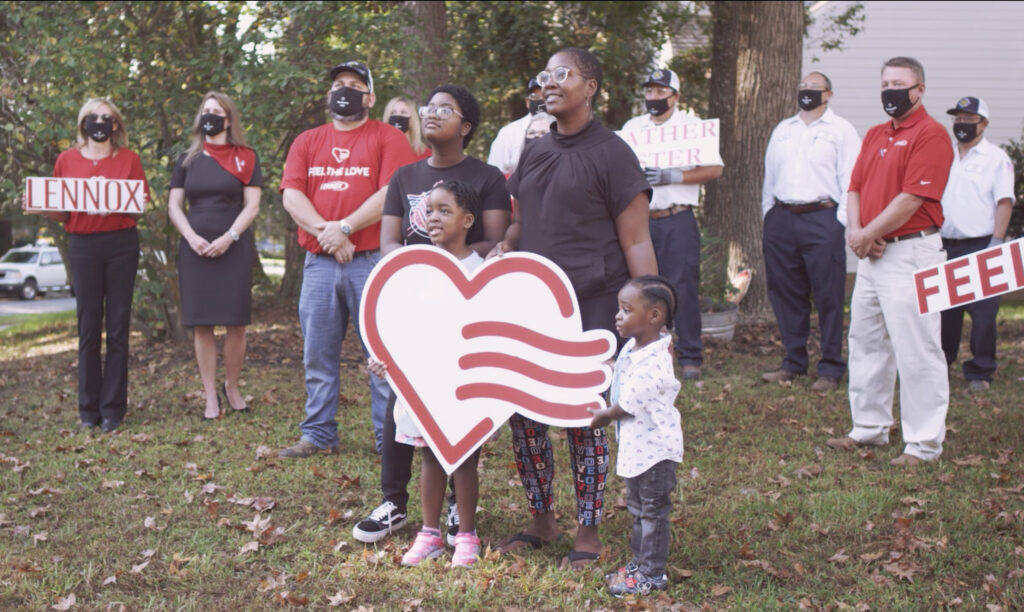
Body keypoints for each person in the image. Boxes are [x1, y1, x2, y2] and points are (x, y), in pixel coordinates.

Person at [490, 47, 657, 570]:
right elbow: (523, 220)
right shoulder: (535, 148)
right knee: (526, 417)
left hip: (592, 305)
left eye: (564, 73)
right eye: (545, 75)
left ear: (591, 87)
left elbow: (637, 241)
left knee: (584, 419)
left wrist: (651, 316)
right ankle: (542, 519)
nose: (551, 81)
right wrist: (504, 248)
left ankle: (588, 530)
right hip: (532, 307)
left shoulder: (613, 153)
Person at [352, 84, 511, 545]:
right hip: (413, 301)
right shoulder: (404, 177)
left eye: (447, 108)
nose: (433, 113)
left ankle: (457, 518)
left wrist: (442, 265)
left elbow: (492, 243)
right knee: (401, 398)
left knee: (454, 404)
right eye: (430, 107)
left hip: (463, 306)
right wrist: (413, 271)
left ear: (466, 126)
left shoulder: (488, 178)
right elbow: (388, 244)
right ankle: (394, 503)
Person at [278, 60, 416, 458]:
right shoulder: (307, 140)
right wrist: (330, 231)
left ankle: (387, 438)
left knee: (382, 354)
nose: (344, 89)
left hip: (371, 261)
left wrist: (347, 228)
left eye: (354, 84)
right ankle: (319, 435)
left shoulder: (388, 138)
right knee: (317, 354)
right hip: (320, 263)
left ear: (370, 97)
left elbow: (392, 191)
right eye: (338, 84)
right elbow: (291, 195)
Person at [826, 57, 953, 467]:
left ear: (920, 89)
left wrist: (867, 234)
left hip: (912, 252)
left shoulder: (931, 134)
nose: (890, 91)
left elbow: (913, 197)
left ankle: (923, 444)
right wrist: (858, 232)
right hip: (873, 254)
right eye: (884, 83)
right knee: (866, 342)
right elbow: (856, 188)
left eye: (898, 83)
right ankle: (869, 427)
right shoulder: (877, 133)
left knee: (917, 348)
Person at [368, 181, 488, 568]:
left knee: (464, 458)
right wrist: (385, 359)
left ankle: (466, 534)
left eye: (444, 210)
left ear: (467, 220)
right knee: (430, 458)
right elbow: (400, 324)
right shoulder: (414, 268)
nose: (433, 218)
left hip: (463, 384)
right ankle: (429, 533)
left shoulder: (480, 272)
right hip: (423, 384)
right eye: (429, 211)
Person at [41, 98, 149, 433]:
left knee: (118, 327)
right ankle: (88, 410)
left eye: (106, 118)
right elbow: (61, 213)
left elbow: (139, 204)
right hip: (83, 245)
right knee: (88, 328)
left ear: (116, 125)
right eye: (93, 117)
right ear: (83, 122)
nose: (99, 122)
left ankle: (113, 410)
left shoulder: (130, 159)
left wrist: (119, 201)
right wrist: (42, 203)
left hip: (121, 245)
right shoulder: (66, 160)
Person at [760, 72, 861, 392]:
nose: (807, 92)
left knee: (828, 295)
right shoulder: (783, 130)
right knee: (786, 293)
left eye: (814, 88)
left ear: (828, 94)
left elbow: (852, 181)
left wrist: (841, 221)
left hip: (822, 218)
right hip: (782, 217)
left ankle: (831, 366)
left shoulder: (841, 130)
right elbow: (769, 176)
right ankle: (793, 361)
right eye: (803, 86)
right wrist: (770, 215)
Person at [621, 68, 723, 381]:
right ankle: (646, 352)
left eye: (660, 92)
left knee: (683, 287)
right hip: (641, 221)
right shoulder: (632, 128)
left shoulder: (692, 128)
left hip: (677, 217)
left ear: (675, 96)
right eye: (649, 91)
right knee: (641, 288)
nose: (654, 97)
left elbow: (714, 168)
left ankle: (691, 356)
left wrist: (674, 176)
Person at [168, 92, 262, 420]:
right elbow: (173, 206)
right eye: (205, 110)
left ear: (228, 119)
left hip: (232, 245)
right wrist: (191, 237)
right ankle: (210, 395)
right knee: (202, 323)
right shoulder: (186, 159)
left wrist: (229, 237)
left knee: (236, 322)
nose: (209, 116)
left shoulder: (246, 157)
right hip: (194, 247)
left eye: (216, 111)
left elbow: (252, 205)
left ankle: (232, 386)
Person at [589, 275, 682, 597]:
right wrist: (611, 365)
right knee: (639, 509)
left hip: (655, 452)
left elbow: (629, 404)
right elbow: (627, 373)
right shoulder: (635, 346)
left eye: (626, 310)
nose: (618, 316)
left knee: (652, 513)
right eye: (619, 308)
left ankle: (652, 575)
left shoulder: (656, 359)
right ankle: (640, 563)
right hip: (638, 448)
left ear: (654, 316)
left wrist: (603, 415)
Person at [939, 96, 1015, 393]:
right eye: (958, 119)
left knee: (983, 313)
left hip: (982, 243)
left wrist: (996, 243)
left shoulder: (996, 158)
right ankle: (942, 364)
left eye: (969, 119)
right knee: (945, 311)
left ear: (983, 123)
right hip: (945, 244)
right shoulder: (944, 155)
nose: (962, 125)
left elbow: (1004, 202)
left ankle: (980, 371)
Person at [486, 78, 545, 175]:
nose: (541, 101)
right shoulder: (509, 132)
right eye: (534, 96)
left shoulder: (566, 129)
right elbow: (494, 172)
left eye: (545, 96)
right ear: (527, 102)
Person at [382, 96, 430, 161]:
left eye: (403, 112)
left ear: (412, 119)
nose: (398, 116)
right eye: (393, 112)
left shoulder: (425, 154)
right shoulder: (380, 152)